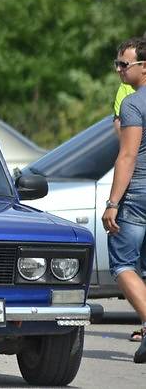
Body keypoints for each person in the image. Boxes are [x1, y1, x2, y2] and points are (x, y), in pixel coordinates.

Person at [101, 37, 146, 363]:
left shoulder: (133, 103)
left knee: (123, 264)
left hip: (139, 196)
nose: (118, 70)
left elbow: (128, 154)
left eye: (124, 64)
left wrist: (113, 202)